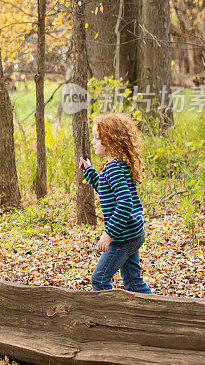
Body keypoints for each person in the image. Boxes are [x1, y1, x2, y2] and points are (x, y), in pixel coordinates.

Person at [78, 112, 152, 294]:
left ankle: (106, 319)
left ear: (111, 141)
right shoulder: (115, 167)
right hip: (131, 234)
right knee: (134, 283)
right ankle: (153, 315)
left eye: (97, 138)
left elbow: (125, 203)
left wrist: (109, 234)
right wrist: (89, 171)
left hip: (123, 238)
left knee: (99, 279)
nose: (93, 142)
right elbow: (105, 189)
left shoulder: (115, 170)